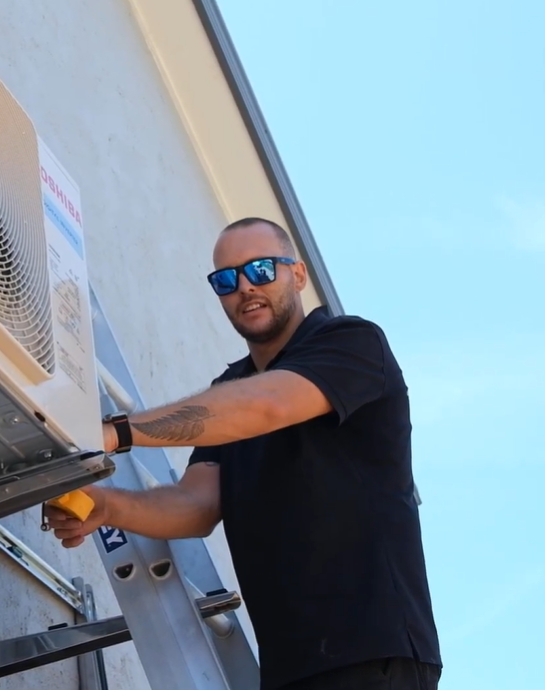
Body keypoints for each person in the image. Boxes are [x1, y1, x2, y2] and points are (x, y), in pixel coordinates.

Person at [46, 217, 442, 690]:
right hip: (288, 666)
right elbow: (196, 506)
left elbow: (269, 404)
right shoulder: (228, 390)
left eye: (260, 270)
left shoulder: (353, 343)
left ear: (297, 275)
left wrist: (116, 433)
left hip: (371, 653)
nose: (245, 288)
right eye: (227, 280)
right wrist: (106, 506)